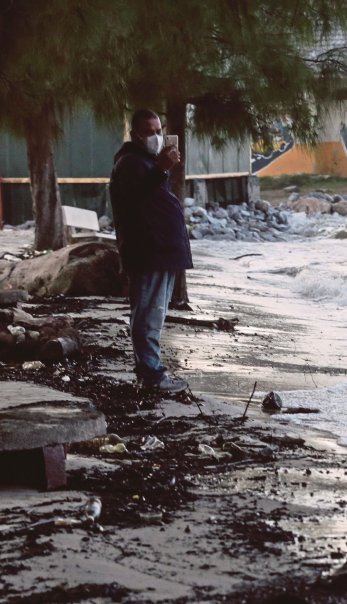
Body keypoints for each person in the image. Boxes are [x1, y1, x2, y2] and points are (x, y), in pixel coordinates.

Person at [109, 109, 192, 393]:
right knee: (147, 314)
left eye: (159, 130)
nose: (156, 136)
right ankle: (151, 376)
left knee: (153, 313)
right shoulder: (131, 162)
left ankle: (151, 373)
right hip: (148, 251)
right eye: (149, 131)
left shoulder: (145, 162)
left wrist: (160, 168)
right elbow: (135, 197)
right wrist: (161, 168)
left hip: (160, 250)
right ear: (135, 135)